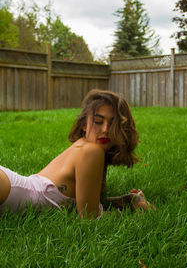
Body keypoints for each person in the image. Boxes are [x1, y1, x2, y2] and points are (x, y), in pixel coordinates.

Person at [0, 89, 152, 219]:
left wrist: (128, 200)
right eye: (98, 121)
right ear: (85, 125)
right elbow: (90, 218)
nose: (105, 129)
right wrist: (134, 211)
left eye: (112, 123)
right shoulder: (92, 151)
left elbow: (90, 202)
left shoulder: (85, 148)